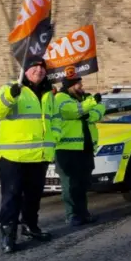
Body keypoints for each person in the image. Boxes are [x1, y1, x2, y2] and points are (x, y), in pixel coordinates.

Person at [0, 56, 59, 253]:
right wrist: (10, 96)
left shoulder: (48, 93)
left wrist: (55, 139)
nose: (39, 71)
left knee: (33, 197)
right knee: (11, 197)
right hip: (14, 158)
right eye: (34, 67)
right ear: (24, 71)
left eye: (42, 68)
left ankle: (30, 227)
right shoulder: (12, 88)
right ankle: (8, 236)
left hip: (39, 156)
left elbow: (54, 120)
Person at [55, 74, 106, 226]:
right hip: (67, 148)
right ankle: (71, 215)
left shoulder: (84, 99)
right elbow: (72, 112)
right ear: (70, 86)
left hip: (85, 147)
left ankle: (83, 213)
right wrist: (89, 105)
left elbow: (99, 111)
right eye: (78, 84)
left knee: (83, 183)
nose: (81, 87)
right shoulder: (60, 98)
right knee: (70, 184)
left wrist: (89, 111)